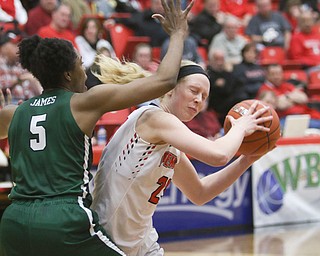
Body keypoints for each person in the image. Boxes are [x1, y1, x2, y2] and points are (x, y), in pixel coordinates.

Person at [0, 0, 194, 254]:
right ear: (68, 75)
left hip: (14, 221)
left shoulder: (15, 112)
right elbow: (165, 80)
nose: (84, 70)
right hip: (63, 218)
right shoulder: (83, 102)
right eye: (80, 64)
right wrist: (178, 34)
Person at [91, 60, 274, 256]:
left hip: (141, 242)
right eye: (194, 91)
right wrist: (240, 127)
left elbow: (200, 193)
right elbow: (218, 155)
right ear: (170, 88)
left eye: (204, 96)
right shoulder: (154, 118)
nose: (199, 100)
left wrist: (246, 160)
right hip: (107, 239)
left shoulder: (171, 143)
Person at [256, 63, 320, 128]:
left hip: (304, 115)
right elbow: (280, 105)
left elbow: (304, 98)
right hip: (284, 119)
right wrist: (293, 97)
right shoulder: (265, 89)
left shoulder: (287, 85)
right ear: (267, 75)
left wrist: (286, 97)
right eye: (273, 74)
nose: (276, 76)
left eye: (278, 74)